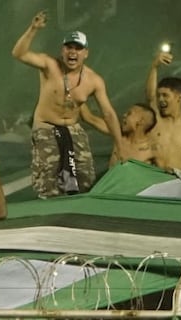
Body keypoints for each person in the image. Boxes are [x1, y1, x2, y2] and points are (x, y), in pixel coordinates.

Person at [11, 11, 127, 198]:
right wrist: (33, 29)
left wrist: (120, 146)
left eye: (78, 48)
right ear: (62, 51)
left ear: (86, 53)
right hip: (46, 126)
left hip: (72, 128)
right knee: (49, 184)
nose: (73, 52)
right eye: (69, 48)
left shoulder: (94, 80)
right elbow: (19, 54)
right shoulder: (49, 65)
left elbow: (108, 114)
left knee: (85, 179)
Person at [144, 51, 181, 173]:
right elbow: (151, 96)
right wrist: (154, 66)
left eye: (165, 95)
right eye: (159, 96)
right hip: (150, 178)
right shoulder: (155, 121)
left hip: (175, 181)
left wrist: (180, 179)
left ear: (179, 98)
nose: (161, 99)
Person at [82, 102, 158, 167]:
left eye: (129, 113)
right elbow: (89, 117)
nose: (124, 115)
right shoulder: (118, 134)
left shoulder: (152, 150)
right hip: (111, 180)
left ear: (141, 121)